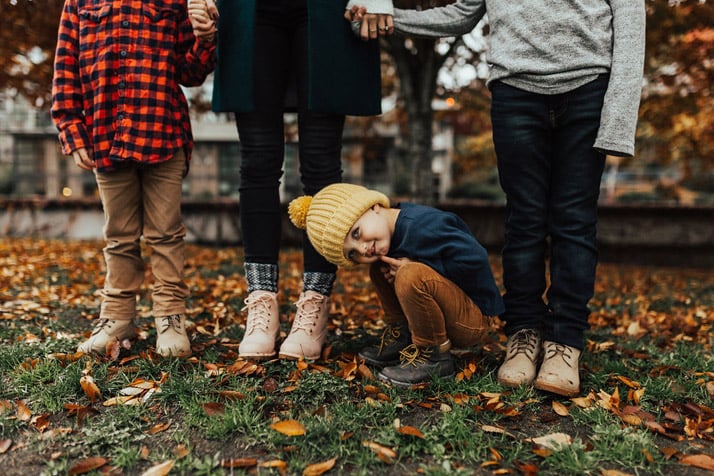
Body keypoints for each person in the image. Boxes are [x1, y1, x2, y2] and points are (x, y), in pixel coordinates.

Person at [347, 0, 646, 396]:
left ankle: (564, 342)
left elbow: (630, 19)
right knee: (523, 220)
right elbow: (462, 14)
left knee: (574, 222)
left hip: (589, 87)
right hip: (515, 93)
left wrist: (618, 120)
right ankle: (523, 334)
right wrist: (387, 17)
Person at [209, 0, 392, 361]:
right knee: (258, 161)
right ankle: (262, 303)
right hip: (250, 10)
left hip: (327, 10)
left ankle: (316, 302)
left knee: (321, 165)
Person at [51, 0, 218, 357]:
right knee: (119, 235)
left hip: (164, 134)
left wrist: (205, 41)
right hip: (106, 134)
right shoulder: (79, 4)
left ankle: (170, 318)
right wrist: (71, 127)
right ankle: (116, 318)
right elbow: (65, 70)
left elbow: (189, 71)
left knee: (166, 234)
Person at [288, 183, 504, 387]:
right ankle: (404, 337)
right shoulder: (388, 236)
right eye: (352, 253)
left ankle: (434, 355)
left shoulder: (423, 226)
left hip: (473, 318)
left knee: (409, 274)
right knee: (380, 269)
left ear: (373, 207)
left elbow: (475, 259)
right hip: (445, 311)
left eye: (356, 233)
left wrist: (419, 267)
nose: (362, 249)